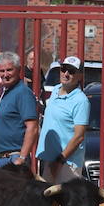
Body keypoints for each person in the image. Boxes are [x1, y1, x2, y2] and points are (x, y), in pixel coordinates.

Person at [36, 54, 90, 182]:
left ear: (80, 76)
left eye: (71, 71)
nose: (66, 74)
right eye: (63, 69)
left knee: (63, 200)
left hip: (66, 163)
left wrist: (59, 160)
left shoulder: (81, 101)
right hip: (48, 159)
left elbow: (79, 136)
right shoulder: (55, 90)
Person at [0, 51, 38, 169]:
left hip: (14, 159)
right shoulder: (6, 92)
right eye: (2, 71)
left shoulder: (23, 93)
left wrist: (22, 158)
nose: (5, 74)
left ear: (18, 70)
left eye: (9, 70)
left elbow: (32, 127)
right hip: (2, 158)